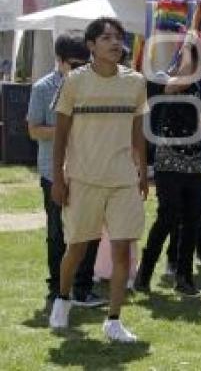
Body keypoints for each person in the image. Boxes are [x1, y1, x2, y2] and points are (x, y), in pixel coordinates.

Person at [49, 17, 148, 343]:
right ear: (91, 46)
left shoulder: (136, 82)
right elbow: (61, 133)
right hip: (83, 177)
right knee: (76, 249)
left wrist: (142, 172)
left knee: (122, 252)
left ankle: (114, 320)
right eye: (107, 38)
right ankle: (62, 299)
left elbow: (138, 133)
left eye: (119, 37)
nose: (116, 43)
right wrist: (59, 177)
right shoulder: (74, 82)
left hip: (123, 181)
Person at [134, 32, 201, 298]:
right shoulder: (167, 78)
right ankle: (144, 274)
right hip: (168, 159)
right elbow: (175, 86)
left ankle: (184, 279)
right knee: (167, 217)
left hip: (195, 160)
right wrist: (187, 47)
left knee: (193, 219)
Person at [27, 34, 106, 312]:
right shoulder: (43, 88)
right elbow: (34, 130)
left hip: (89, 170)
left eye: (86, 62)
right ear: (59, 61)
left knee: (91, 231)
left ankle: (82, 289)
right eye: (75, 64)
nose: (81, 69)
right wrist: (67, 128)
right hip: (54, 171)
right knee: (57, 233)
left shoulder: (93, 84)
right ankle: (56, 288)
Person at [163, 34, 201, 274]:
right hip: (171, 153)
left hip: (196, 152)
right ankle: (170, 260)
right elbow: (183, 77)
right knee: (173, 211)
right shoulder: (174, 75)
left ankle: (194, 257)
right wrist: (188, 45)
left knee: (197, 207)